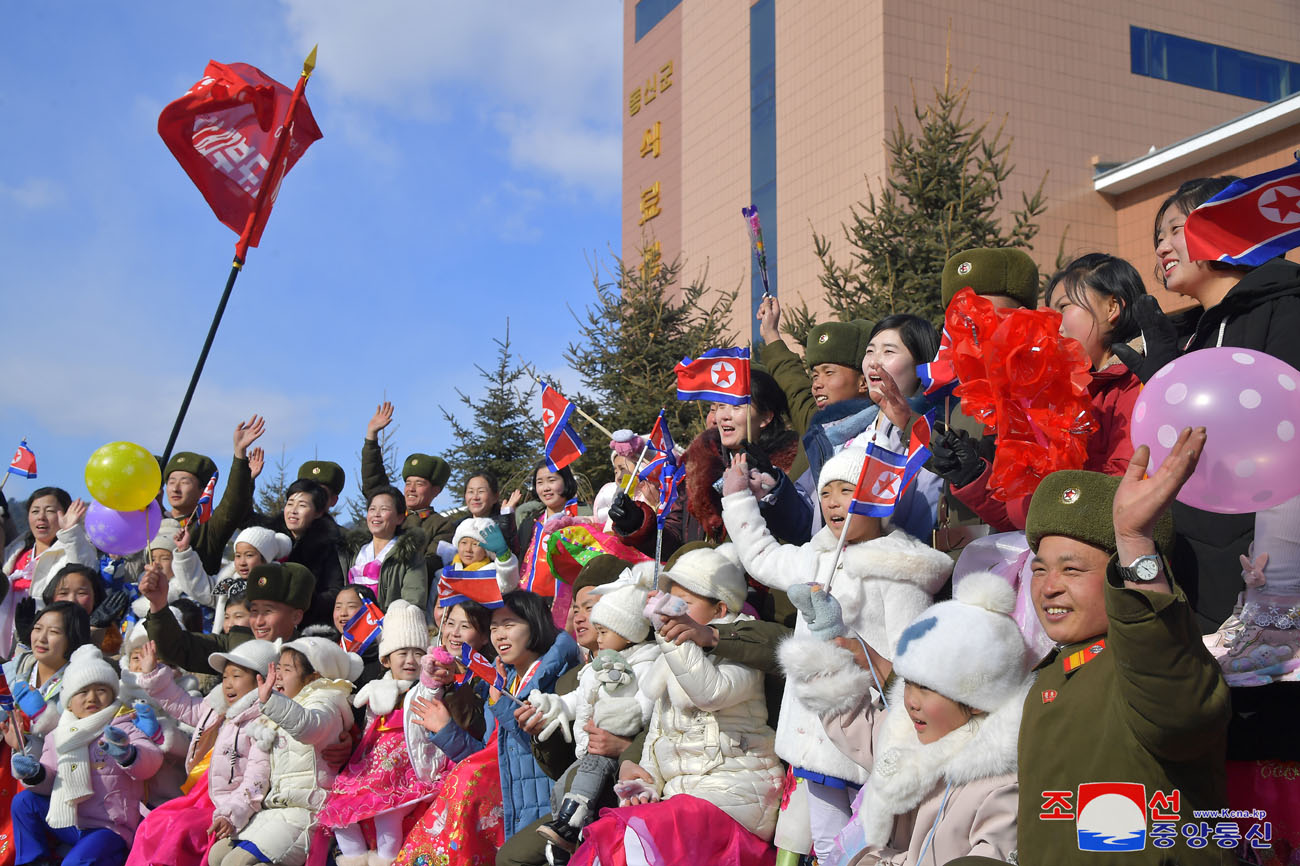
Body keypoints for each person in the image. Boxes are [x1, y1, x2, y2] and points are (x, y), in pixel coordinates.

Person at [994, 430, 1232, 864]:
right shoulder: (1051, 674)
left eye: (1072, 569)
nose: (1049, 587)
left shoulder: (1153, 655)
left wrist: (1134, 543)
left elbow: (1178, 718)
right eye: (1040, 569)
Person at [722, 447, 953, 860]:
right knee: (827, 841)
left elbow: (907, 661)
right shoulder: (817, 554)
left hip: (866, 733)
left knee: (871, 841)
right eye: (826, 491)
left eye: (847, 490)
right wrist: (738, 498)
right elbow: (762, 558)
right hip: (814, 731)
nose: (832, 501)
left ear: (879, 500)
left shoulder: (898, 569)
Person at [781, 573, 1031, 866]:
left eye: (927, 688)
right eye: (909, 683)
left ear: (977, 701)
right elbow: (854, 724)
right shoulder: (906, 736)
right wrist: (828, 638)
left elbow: (991, 855)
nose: (911, 701)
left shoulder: (999, 785)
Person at [568, 547, 785, 866]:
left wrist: (671, 637)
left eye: (683, 603)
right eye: (669, 601)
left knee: (637, 840)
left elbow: (709, 692)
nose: (671, 611)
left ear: (720, 609)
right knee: (612, 842)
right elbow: (658, 738)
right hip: (683, 803)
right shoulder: (674, 656)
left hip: (735, 799)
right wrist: (643, 783)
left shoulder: (741, 652)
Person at [935, 253, 1146, 531]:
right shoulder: (1048, 394)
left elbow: (1120, 497)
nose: (1052, 321)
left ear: (1111, 307)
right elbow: (1025, 518)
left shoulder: (1137, 385)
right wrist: (973, 476)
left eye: (1063, 307)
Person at [397, 591, 582, 866]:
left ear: (535, 624)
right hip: (513, 812)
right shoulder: (503, 684)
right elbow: (490, 763)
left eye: (509, 625)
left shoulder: (560, 680)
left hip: (545, 812)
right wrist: (447, 731)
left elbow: (547, 755)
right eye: (494, 628)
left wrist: (500, 704)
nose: (500, 635)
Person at [527, 563, 662, 857]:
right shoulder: (585, 671)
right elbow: (577, 699)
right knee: (562, 788)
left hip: (623, 770)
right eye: (575, 608)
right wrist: (552, 709)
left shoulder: (648, 661)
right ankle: (564, 839)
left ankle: (571, 829)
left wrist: (623, 738)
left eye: (590, 609)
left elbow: (649, 711)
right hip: (586, 756)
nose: (580, 618)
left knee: (587, 781)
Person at [608, 369, 813, 561]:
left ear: (766, 417)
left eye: (737, 406)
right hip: (701, 587)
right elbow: (676, 542)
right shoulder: (700, 466)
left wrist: (773, 491)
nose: (723, 415)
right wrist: (638, 524)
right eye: (720, 406)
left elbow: (804, 532)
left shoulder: (792, 465)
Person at [126, 639, 280, 866]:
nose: (228, 684)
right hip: (201, 795)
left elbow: (256, 779)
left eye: (237, 676)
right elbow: (182, 704)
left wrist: (231, 814)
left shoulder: (261, 722)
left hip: (229, 804)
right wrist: (153, 674)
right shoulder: (218, 708)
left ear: (260, 680)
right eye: (225, 677)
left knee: (178, 830)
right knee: (153, 822)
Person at [210, 637, 362, 866]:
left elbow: (308, 727)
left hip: (309, 811)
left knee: (237, 863)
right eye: (277, 668)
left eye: (287, 669)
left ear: (315, 676)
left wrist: (271, 702)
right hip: (276, 810)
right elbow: (255, 779)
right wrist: (230, 815)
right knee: (217, 856)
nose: (278, 675)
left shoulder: (325, 702)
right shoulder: (274, 716)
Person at [11, 645, 164, 866]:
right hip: (70, 821)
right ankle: (34, 861)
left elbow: (152, 762)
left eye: (101, 690)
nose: (92, 697)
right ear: (69, 703)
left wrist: (127, 754)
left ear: (112, 694)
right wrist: (35, 774)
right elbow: (49, 780)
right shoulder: (59, 734)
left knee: (75, 863)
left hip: (109, 826)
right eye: (82, 692)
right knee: (24, 801)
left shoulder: (121, 726)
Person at [319, 600, 445, 866]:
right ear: (386, 659)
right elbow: (365, 727)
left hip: (406, 770)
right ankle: (354, 859)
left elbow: (431, 691)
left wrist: (432, 678)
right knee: (339, 811)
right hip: (372, 767)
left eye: (417, 653)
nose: (411, 660)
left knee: (388, 816)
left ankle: (385, 861)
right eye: (402, 653)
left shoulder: (425, 689)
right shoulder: (376, 688)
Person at [142, 561, 315, 675]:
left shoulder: (312, 658)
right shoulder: (235, 643)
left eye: (268, 612)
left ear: (296, 616)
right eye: (254, 611)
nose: (258, 621)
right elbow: (175, 647)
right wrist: (158, 604)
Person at [161, 414, 265, 576]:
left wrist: (239, 454)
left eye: (185, 482)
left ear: (203, 490)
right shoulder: (151, 520)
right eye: (171, 481)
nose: (175, 488)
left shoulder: (207, 528)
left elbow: (232, 504)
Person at [362, 401, 457, 570]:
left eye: (419, 484)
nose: (410, 489)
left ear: (436, 490)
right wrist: (371, 437)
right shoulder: (391, 513)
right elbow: (374, 481)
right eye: (408, 483)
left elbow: (433, 562)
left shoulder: (441, 525)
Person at [2, 487, 95, 655]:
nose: (41, 517)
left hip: (44, 639)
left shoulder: (72, 548)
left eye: (50, 511)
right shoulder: (14, 550)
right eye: (35, 511)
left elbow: (85, 572)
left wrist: (70, 532)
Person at [270, 478, 346, 628]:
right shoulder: (271, 542)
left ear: (318, 513)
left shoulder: (328, 546)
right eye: (290, 504)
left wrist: (304, 602)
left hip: (310, 624)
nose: (293, 510)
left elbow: (334, 591)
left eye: (302, 505)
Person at [347, 485, 429, 611]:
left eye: (384, 509)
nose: (376, 514)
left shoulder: (410, 556)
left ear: (400, 518)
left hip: (391, 626)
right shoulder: (353, 553)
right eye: (372, 509)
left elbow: (413, 602)